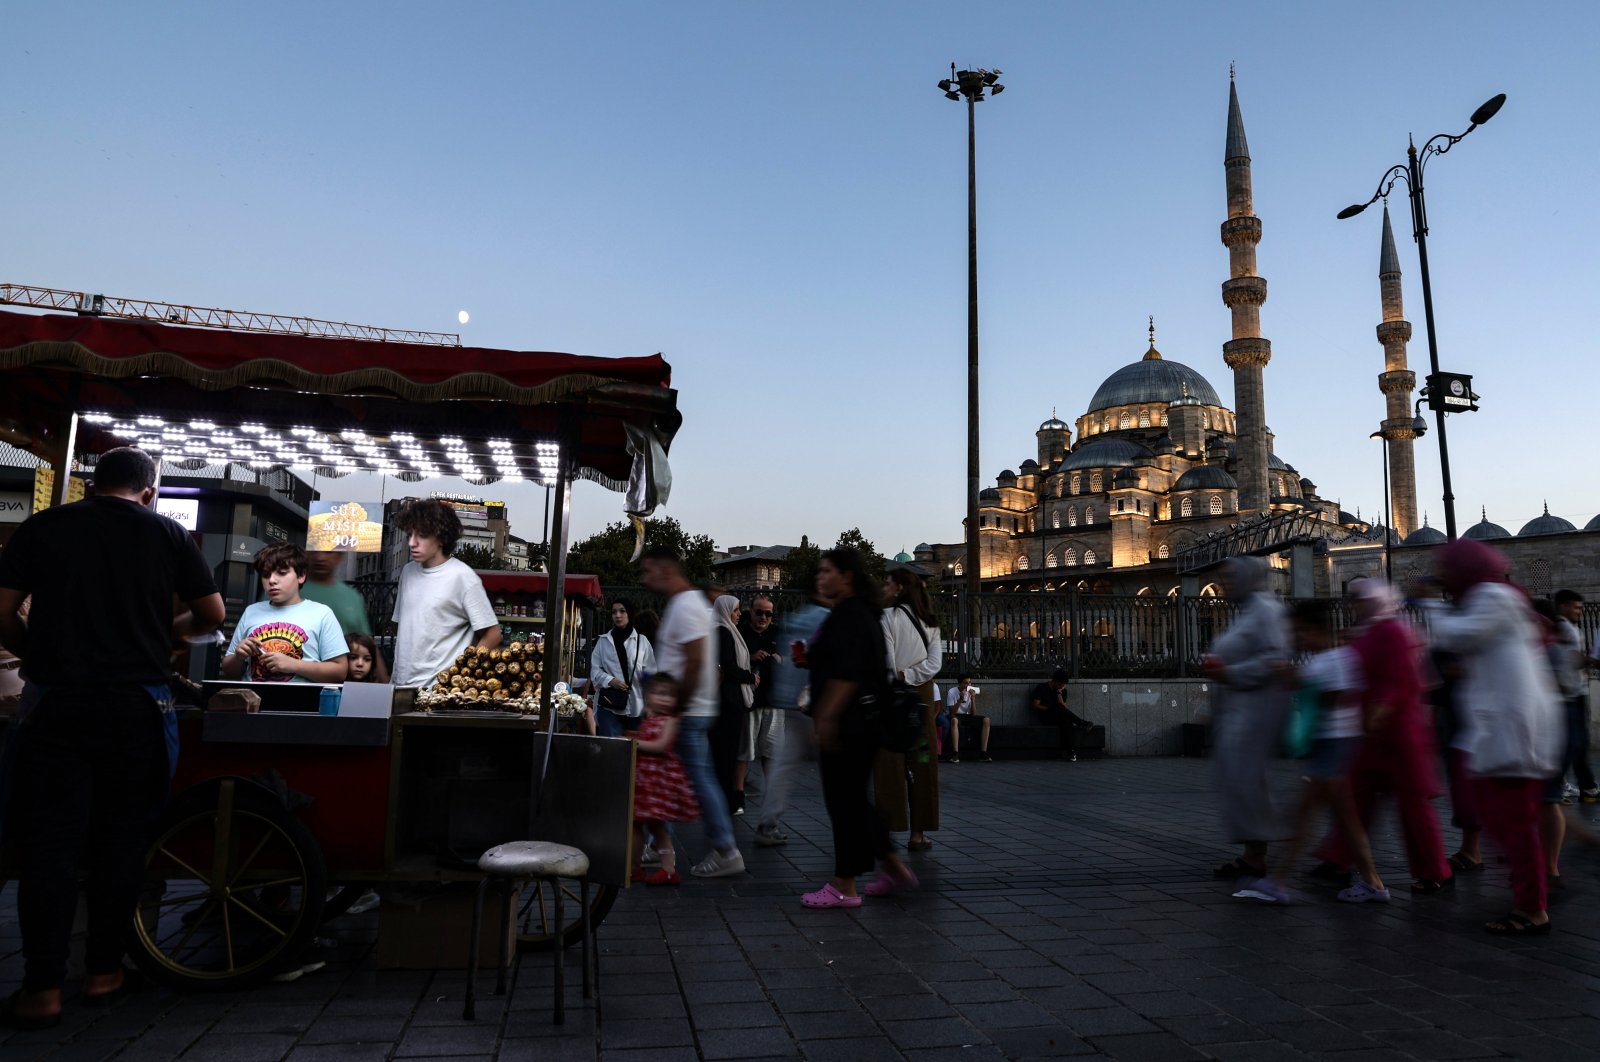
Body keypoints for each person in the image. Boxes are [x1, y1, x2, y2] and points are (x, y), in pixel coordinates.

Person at [0, 447, 224, 1028]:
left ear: (92, 484)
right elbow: (212, 614)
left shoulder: (44, 526)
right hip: (136, 708)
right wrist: (164, 632)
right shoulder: (168, 536)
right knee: (121, 843)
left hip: (57, 706)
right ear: (148, 492)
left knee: (49, 847)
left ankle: (42, 989)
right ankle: (104, 973)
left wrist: (36, 652)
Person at [1424, 538, 1562, 934]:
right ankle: (1526, 891)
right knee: (1499, 817)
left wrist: (1431, 603)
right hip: (1500, 726)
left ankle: (1532, 908)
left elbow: (1456, 637)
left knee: (1514, 824)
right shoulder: (1497, 597)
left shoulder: (1492, 596)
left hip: (1511, 728)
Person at [1235, 600, 1389, 905]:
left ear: (1317, 630)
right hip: (1333, 744)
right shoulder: (1330, 658)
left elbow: (1339, 696)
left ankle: (1277, 881)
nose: (1297, 638)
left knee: (1303, 818)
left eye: (1301, 631)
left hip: (1332, 744)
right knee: (1346, 820)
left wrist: (1302, 683)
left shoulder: (1334, 659)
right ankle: (1373, 883)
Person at [1310, 578, 1452, 894]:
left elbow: (1399, 678)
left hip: (1399, 733)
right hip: (1373, 734)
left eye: (1360, 599)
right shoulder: (1369, 632)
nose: (1354, 605)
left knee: (1412, 805)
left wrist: (1379, 709)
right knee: (1357, 799)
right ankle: (1339, 858)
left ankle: (1433, 870)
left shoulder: (1392, 632)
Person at [801, 548, 915, 907]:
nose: (820, 577)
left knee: (843, 803)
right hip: (862, 723)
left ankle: (844, 885)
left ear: (846, 576)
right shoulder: (859, 611)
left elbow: (847, 675)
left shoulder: (850, 615)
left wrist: (826, 718)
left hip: (848, 723)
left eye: (827, 571)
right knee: (854, 800)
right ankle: (892, 865)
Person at [639, 545, 744, 878]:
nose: (645, 578)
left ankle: (725, 848)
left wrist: (677, 708)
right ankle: (659, 846)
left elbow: (696, 660)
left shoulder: (685, 605)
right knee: (673, 777)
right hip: (688, 708)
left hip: (687, 710)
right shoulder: (686, 603)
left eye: (648, 570)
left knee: (695, 778)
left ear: (665, 569)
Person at [1205, 555, 1292, 881]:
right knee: (1240, 780)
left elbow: (1275, 660)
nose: (1225, 583)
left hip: (1256, 711)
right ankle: (1254, 853)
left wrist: (1230, 672)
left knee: (1246, 779)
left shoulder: (1267, 610)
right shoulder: (1247, 612)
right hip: (1238, 709)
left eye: (1230, 576)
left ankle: (1268, 846)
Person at [389, 499, 501, 688]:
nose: (412, 542)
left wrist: (459, 675)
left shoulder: (462, 576)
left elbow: (493, 634)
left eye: (422, 535)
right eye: (410, 534)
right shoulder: (407, 573)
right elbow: (406, 630)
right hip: (399, 686)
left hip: (438, 691)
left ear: (441, 537)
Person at [875, 569, 942, 851]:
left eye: (888, 583)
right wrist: (915, 676)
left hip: (892, 698)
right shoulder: (931, 623)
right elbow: (935, 663)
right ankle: (918, 834)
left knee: (890, 762)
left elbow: (887, 663)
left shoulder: (886, 618)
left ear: (899, 588)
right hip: (923, 698)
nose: (885, 587)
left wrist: (901, 676)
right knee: (923, 760)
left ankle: (889, 830)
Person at [753, 596, 829, 847]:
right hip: (816, 703)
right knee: (836, 768)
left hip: (793, 702)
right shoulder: (827, 619)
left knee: (783, 767)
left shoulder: (800, 618)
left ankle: (767, 822)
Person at [220, 544, 350, 684]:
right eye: (265, 575)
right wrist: (239, 656)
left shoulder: (322, 614)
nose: (272, 580)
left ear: (301, 576)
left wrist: (293, 665)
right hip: (252, 701)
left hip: (298, 704)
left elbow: (340, 671)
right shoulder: (251, 611)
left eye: (281, 573)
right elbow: (228, 671)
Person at [631, 673, 699, 886]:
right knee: (636, 825)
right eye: (657, 693)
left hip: (658, 783)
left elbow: (660, 746)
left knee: (657, 827)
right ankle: (634, 867)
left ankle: (668, 868)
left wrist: (634, 743)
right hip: (644, 782)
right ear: (647, 696)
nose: (662, 698)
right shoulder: (649, 717)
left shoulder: (671, 721)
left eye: (668, 695)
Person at [303, 550, 389, 682]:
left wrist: (385, 685)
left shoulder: (352, 597)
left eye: (328, 552)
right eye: (315, 551)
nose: (320, 557)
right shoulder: (288, 590)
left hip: (342, 684)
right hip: (300, 681)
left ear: (340, 557)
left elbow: (367, 642)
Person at [737, 595, 783, 821]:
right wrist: (753, 658)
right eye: (759, 612)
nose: (763, 617)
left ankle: (772, 797)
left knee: (771, 752)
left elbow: (791, 659)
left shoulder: (778, 634)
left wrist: (779, 658)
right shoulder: (741, 634)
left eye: (768, 613)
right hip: (750, 701)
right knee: (745, 750)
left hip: (774, 702)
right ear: (751, 611)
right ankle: (738, 796)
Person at [712, 595, 756, 815]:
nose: (739, 614)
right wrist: (748, 677)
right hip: (728, 701)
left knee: (726, 753)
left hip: (728, 700)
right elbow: (728, 666)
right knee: (726, 754)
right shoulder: (723, 632)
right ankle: (726, 801)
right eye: (736, 610)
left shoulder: (725, 630)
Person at [1552, 590, 1597, 802]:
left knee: (1579, 744)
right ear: (1563, 605)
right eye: (1576, 607)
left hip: (1575, 692)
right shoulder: (1562, 629)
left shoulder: (1567, 628)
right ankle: (1554, 789)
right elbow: (1569, 659)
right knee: (1571, 745)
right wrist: (1592, 661)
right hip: (1567, 695)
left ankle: (1586, 787)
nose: (1579, 612)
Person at [589, 597, 655, 738]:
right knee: (611, 749)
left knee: (633, 751)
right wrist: (611, 680)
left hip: (636, 706)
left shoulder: (642, 642)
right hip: (609, 706)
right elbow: (595, 670)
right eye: (614, 612)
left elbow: (650, 674)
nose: (618, 615)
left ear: (629, 613)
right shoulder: (603, 641)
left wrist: (650, 703)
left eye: (622, 611)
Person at [1029, 669, 1094, 761]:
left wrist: (1059, 693)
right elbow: (1035, 705)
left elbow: (1064, 707)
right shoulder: (1042, 688)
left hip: (1059, 716)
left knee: (1067, 722)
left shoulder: (1062, 690)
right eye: (1059, 684)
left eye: (1063, 685)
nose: (1061, 686)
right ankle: (1082, 723)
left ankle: (1071, 752)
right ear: (1054, 681)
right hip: (1046, 717)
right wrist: (1049, 708)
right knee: (1058, 710)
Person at [942, 674, 991, 763]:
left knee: (986, 720)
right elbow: (952, 712)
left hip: (966, 716)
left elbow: (973, 714)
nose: (968, 685)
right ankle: (955, 754)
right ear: (960, 684)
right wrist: (960, 699)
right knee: (954, 720)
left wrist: (973, 699)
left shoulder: (970, 693)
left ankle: (983, 753)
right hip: (956, 715)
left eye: (970, 682)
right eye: (966, 683)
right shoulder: (952, 692)